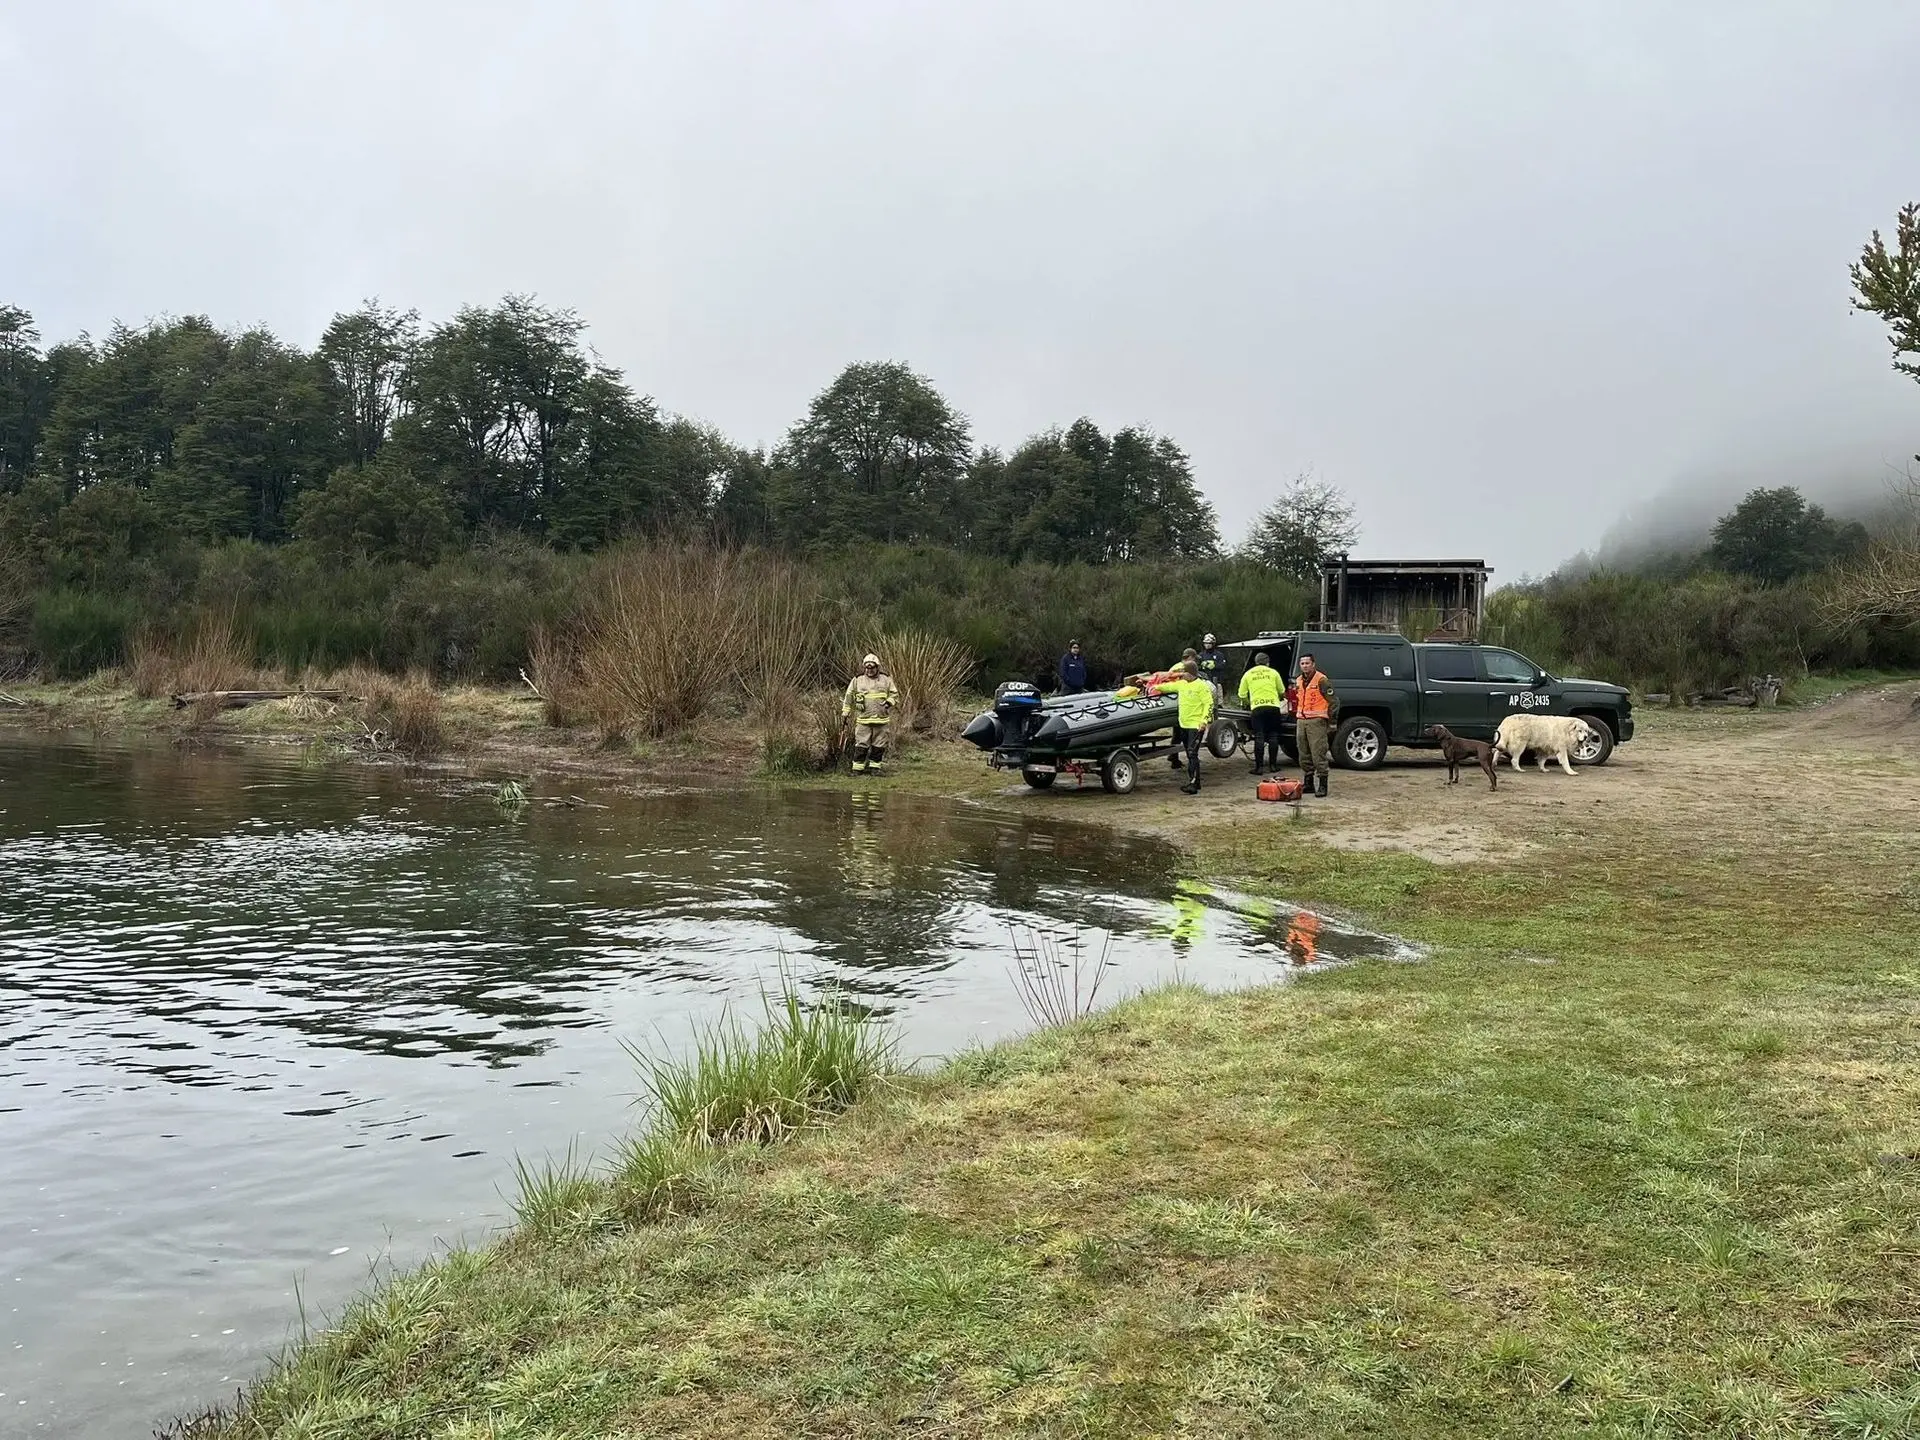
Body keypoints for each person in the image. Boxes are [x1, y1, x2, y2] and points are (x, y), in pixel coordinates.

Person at [841, 653, 898, 774]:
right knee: (861, 745)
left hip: (881, 720)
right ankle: (857, 770)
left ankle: (875, 769)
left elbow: (894, 695)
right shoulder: (857, 680)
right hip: (863, 720)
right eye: (867, 667)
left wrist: (888, 703)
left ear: (877, 667)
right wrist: (845, 712)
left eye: (872, 667)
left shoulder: (886, 679)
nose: (869, 670)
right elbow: (849, 697)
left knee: (879, 746)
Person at [1292, 651, 1337, 797]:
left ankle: (1323, 785)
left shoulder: (1321, 680)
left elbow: (1334, 702)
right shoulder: (1298, 680)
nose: (1305, 666)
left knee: (1318, 753)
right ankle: (1309, 783)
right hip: (1301, 720)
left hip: (1317, 721)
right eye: (1302, 663)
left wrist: (1332, 722)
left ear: (1313, 664)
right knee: (1303, 753)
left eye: (1307, 663)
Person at [1237, 649, 1286, 775]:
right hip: (1273, 707)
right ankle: (1273, 766)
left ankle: (1259, 768)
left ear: (1256, 662)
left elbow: (1241, 694)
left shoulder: (1248, 674)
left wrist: (1249, 703)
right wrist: (1279, 698)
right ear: (1268, 663)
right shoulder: (1273, 673)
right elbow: (1282, 691)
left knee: (1259, 736)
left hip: (1257, 708)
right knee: (1273, 736)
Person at [1172, 659, 1215, 795]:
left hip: (1195, 725)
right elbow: (1167, 687)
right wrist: (1154, 687)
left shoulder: (1201, 686)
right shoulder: (1182, 684)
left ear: (1190, 673)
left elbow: (1209, 704)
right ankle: (1196, 782)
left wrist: (1204, 721)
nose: (1182, 674)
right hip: (1184, 724)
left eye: (1184, 672)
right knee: (1189, 752)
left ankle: (1193, 783)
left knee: (1192, 753)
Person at [1195, 633, 1227, 699]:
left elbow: (1223, 665)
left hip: (1217, 681)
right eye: (1206, 643)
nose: (1207, 645)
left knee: (1218, 702)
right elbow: (1196, 667)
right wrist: (1202, 665)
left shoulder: (1219, 654)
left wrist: (1215, 665)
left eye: (1209, 643)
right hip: (1205, 682)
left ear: (1213, 644)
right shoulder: (1201, 655)